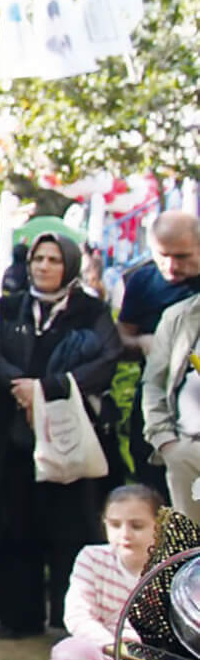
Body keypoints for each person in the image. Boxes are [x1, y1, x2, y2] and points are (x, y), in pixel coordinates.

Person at [0, 233, 127, 638]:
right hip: (13, 428)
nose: (44, 267)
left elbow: (106, 360)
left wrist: (48, 388)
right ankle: (16, 614)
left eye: (54, 259)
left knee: (71, 522)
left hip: (70, 430)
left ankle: (72, 615)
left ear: (68, 265)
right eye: (38, 258)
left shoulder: (91, 311)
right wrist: (18, 386)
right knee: (13, 519)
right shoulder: (9, 306)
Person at [46, 484, 161, 660]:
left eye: (137, 525)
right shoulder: (91, 558)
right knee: (69, 654)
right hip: (103, 657)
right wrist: (116, 648)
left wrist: (140, 656)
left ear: (159, 526)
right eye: (115, 524)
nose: (125, 534)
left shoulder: (173, 569)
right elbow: (77, 616)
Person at [122, 211, 200, 497]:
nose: (171, 266)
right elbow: (120, 337)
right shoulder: (143, 281)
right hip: (157, 401)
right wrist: (142, 342)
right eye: (162, 255)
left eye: (182, 257)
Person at [140, 291, 200, 515]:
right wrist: (165, 441)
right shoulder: (180, 315)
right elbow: (153, 382)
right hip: (188, 451)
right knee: (193, 545)